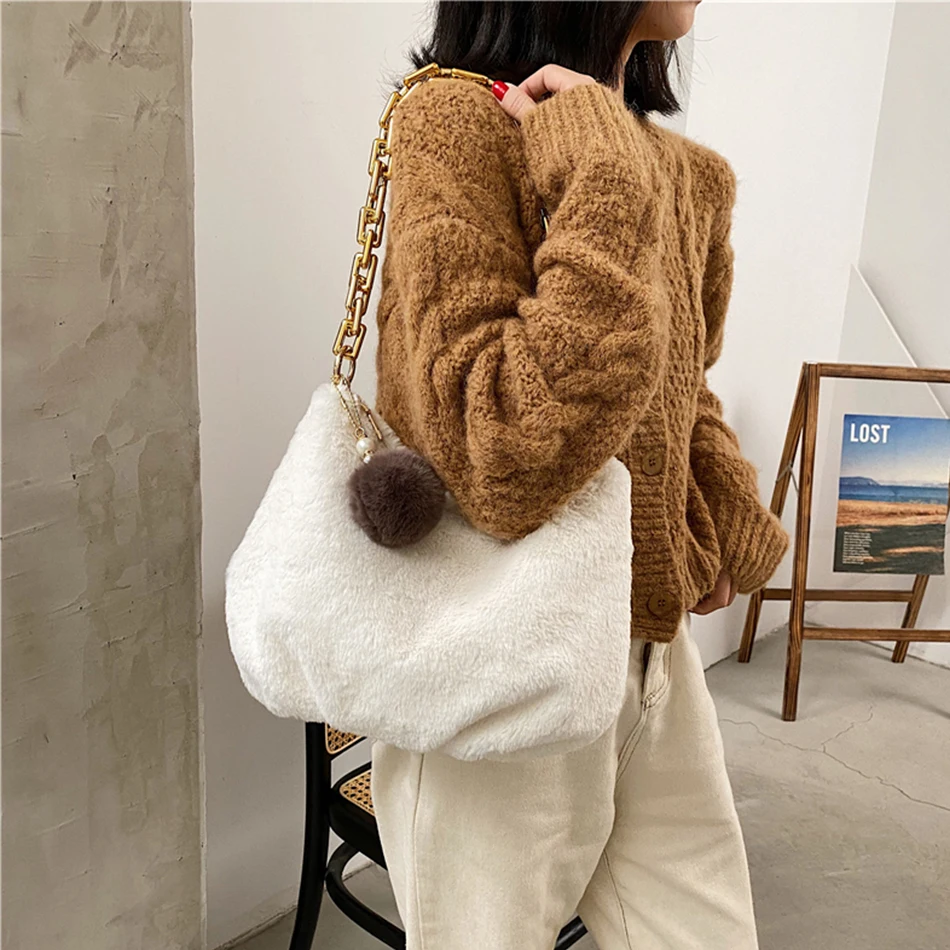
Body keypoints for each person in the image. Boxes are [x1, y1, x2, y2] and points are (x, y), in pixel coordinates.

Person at [368, 2, 790, 947]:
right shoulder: (457, 121)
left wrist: (723, 518)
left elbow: (679, 386)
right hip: (500, 653)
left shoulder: (686, 173)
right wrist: (600, 178)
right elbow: (496, 448)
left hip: (654, 659)